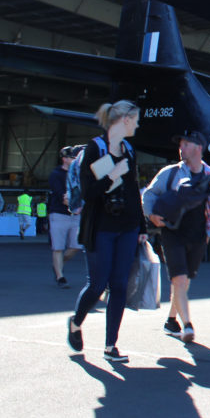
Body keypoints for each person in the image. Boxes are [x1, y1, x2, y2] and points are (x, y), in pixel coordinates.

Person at [68, 100, 147, 363]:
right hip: (101, 227)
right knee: (98, 285)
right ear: (125, 119)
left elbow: (134, 190)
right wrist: (113, 174)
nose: (138, 124)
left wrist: (142, 227)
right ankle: (76, 323)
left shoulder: (130, 150)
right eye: (135, 119)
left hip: (127, 226)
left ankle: (110, 345)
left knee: (120, 285)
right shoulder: (95, 148)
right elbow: (88, 193)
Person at [142, 130, 210, 343]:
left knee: (184, 280)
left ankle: (171, 319)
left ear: (198, 148)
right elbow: (149, 193)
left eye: (186, 144)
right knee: (179, 279)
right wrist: (151, 214)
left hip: (198, 234)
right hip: (172, 232)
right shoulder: (170, 173)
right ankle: (188, 325)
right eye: (180, 144)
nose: (181, 148)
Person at [48, 147, 82, 288]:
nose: (75, 159)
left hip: (75, 215)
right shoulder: (56, 174)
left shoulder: (78, 174)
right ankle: (60, 276)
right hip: (59, 214)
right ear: (64, 159)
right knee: (58, 247)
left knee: (76, 246)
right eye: (72, 157)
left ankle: (58, 265)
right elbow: (63, 197)